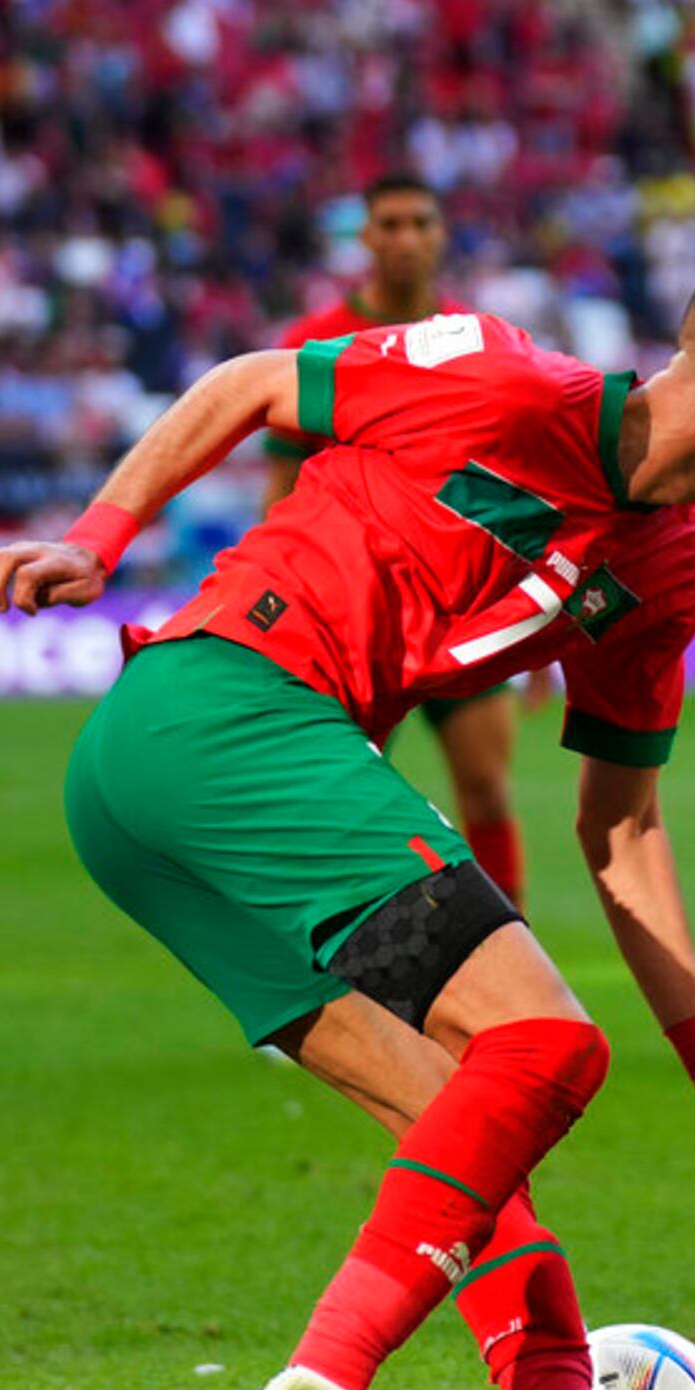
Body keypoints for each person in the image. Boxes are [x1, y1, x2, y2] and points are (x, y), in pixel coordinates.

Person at [0, 254, 695, 1390]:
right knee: (549, 1050)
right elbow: (253, 384)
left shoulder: (666, 573)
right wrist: (96, 540)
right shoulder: (501, 378)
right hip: (221, 711)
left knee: (469, 1137)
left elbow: (618, 826)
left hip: (165, 805)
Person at [262, 172, 533, 908]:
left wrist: (542, 623)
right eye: (391, 224)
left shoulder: (481, 347)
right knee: (350, 804)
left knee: (485, 786)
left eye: (421, 222)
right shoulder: (313, 343)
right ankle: (356, 963)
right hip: (356, 609)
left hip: (458, 605)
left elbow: (503, 489)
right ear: (367, 237)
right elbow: (283, 485)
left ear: (442, 234)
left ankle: (515, 951)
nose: (407, 239)